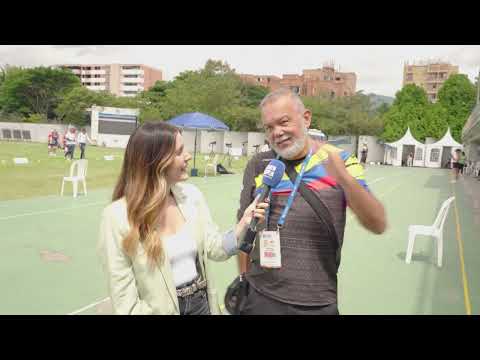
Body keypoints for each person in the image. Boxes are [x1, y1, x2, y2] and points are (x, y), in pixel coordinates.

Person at [237, 88, 386, 315]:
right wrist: (243, 280)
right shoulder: (259, 164)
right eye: (269, 127)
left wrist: (344, 180)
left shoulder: (341, 161)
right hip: (260, 296)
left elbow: (377, 223)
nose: (277, 132)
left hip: (316, 303)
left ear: (306, 118)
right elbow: (244, 228)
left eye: (284, 122)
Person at [97, 122, 268, 315]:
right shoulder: (116, 217)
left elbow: (215, 248)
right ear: (155, 161)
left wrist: (244, 223)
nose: (187, 156)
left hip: (202, 305)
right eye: (178, 152)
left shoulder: (192, 196)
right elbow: (124, 301)